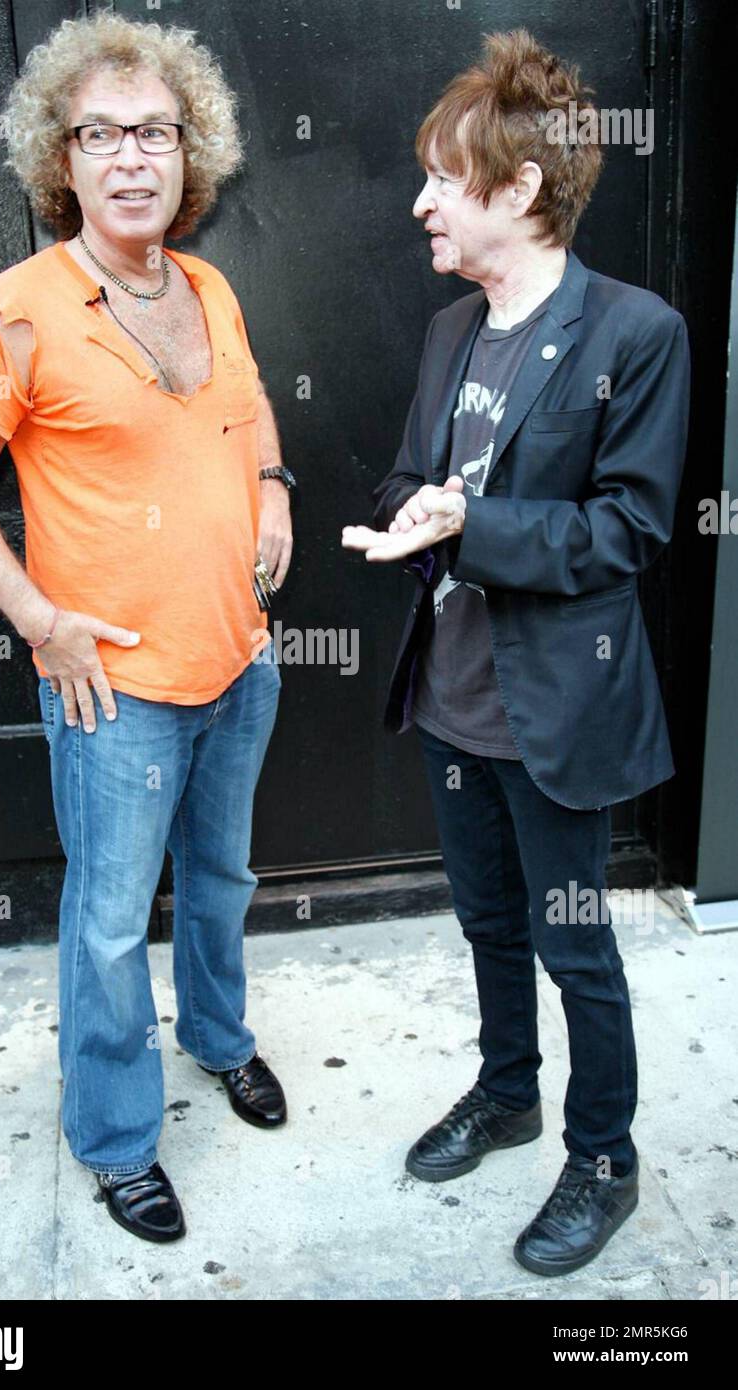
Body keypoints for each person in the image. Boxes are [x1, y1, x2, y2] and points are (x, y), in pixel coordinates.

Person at [0, 11, 297, 1245]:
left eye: (156, 133)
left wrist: (276, 487)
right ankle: (118, 1137)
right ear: (59, 158)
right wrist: (39, 619)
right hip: (113, 688)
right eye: (102, 135)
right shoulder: (15, 310)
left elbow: (247, 414)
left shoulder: (210, 285)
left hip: (239, 657)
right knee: (107, 917)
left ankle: (223, 1040)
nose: (133, 158)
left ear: (192, 153)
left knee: (226, 879)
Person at [342, 28, 691, 1276]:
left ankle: (603, 1156)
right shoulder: (450, 331)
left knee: (572, 942)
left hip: (556, 711)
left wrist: (468, 521)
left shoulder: (636, 333)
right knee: (488, 921)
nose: (422, 202)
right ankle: (508, 1092)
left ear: (520, 188)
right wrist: (400, 517)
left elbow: (629, 527)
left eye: (443, 178)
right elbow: (409, 473)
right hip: (451, 694)